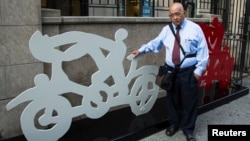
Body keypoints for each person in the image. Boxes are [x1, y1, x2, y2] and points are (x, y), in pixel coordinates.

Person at [131, 2, 209, 141]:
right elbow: (155, 43)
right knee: (172, 100)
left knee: (190, 102)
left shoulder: (195, 29)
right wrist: (141, 50)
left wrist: (198, 73)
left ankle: (188, 129)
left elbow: (203, 52)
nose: (175, 17)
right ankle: (174, 124)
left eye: (177, 14)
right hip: (171, 72)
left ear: (184, 12)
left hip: (189, 73)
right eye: (172, 15)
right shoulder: (167, 30)